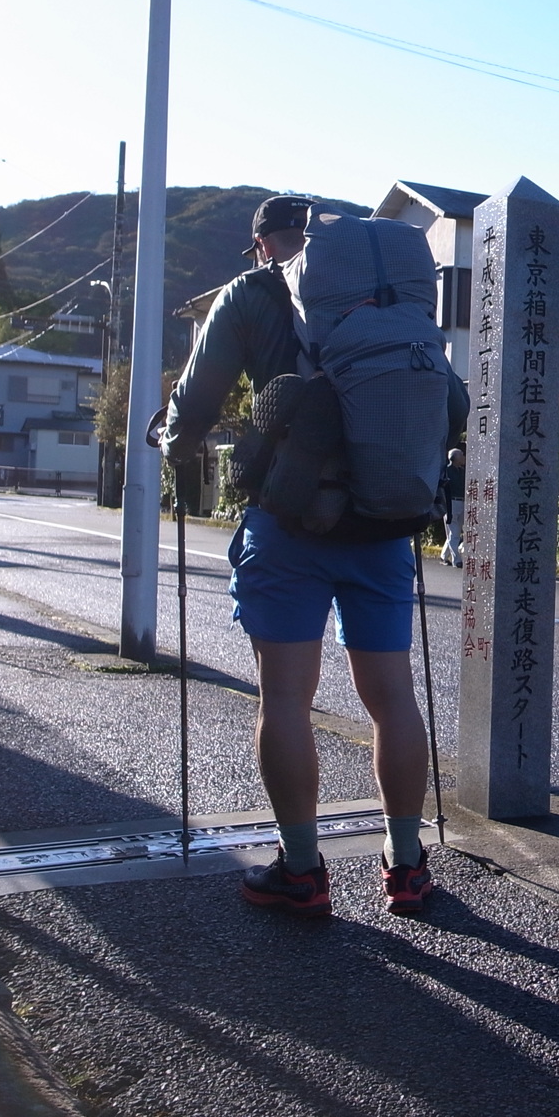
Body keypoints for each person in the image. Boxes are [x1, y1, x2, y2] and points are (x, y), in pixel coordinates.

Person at [161, 195, 460, 918]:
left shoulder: (250, 293)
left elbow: (198, 395)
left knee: (286, 699)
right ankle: (407, 865)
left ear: (262, 244)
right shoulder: (383, 300)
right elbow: (446, 404)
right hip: (384, 525)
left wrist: (173, 442)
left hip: (289, 523)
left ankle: (301, 870)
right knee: (392, 700)